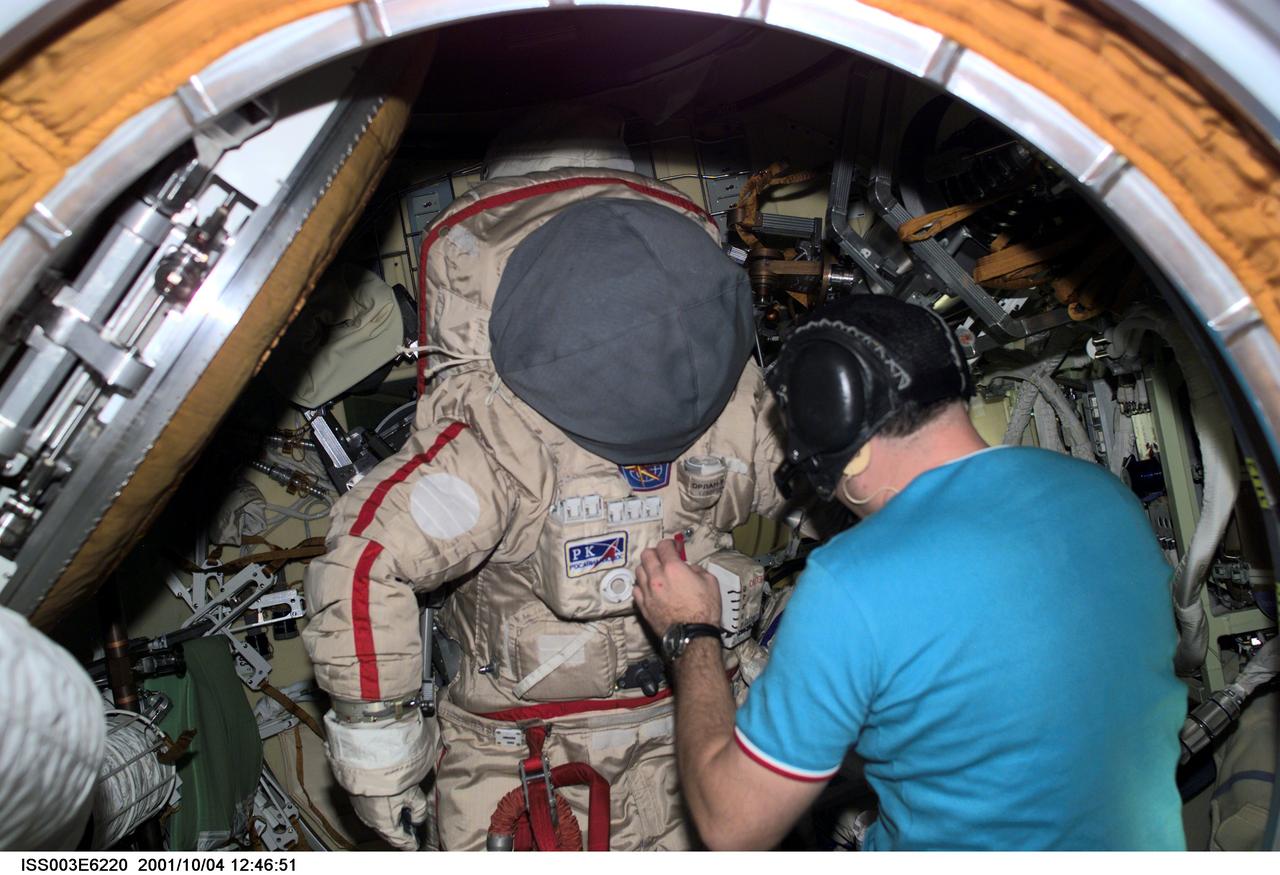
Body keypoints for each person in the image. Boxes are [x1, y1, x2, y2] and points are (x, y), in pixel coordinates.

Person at [301, 116, 791, 850]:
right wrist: (381, 756)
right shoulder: (503, 436)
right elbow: (371, 561)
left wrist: (382, 763)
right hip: (529, 756)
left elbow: (365, 561)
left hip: (691, 716)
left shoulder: (730, 402)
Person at [633, 293, 1188, 850]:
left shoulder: (851, 581)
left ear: (836, 441)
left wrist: (691, 630)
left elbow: (732, 828)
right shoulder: (1106, 497)